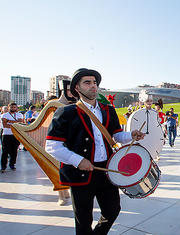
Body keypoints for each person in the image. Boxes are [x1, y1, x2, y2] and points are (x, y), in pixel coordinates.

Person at [45, 68, 144, 234]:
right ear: (77, 88)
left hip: (106, 170)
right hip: (80, 174)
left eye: (95, 83)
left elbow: (115, 135)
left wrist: (130, 135)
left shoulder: (108, 110)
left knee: (112, 210)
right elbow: (52, 146)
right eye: (87, 82)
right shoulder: (66, 112)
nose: (93, 86)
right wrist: (78, 161)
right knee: (83, 220)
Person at [1, 103, 24, 172]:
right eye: (12, 107)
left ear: (16, 108)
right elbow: (5, 125)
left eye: (14, 107)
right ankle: (3, 166)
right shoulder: (4, 115)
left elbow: (20, 123)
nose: (13, 108)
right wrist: (15, 123)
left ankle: (12, 164)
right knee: (5, 151)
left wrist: (9, 121)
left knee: (14, 151)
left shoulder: (20, 114)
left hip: (16, 135)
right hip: (6, 135)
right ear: (8, 107)